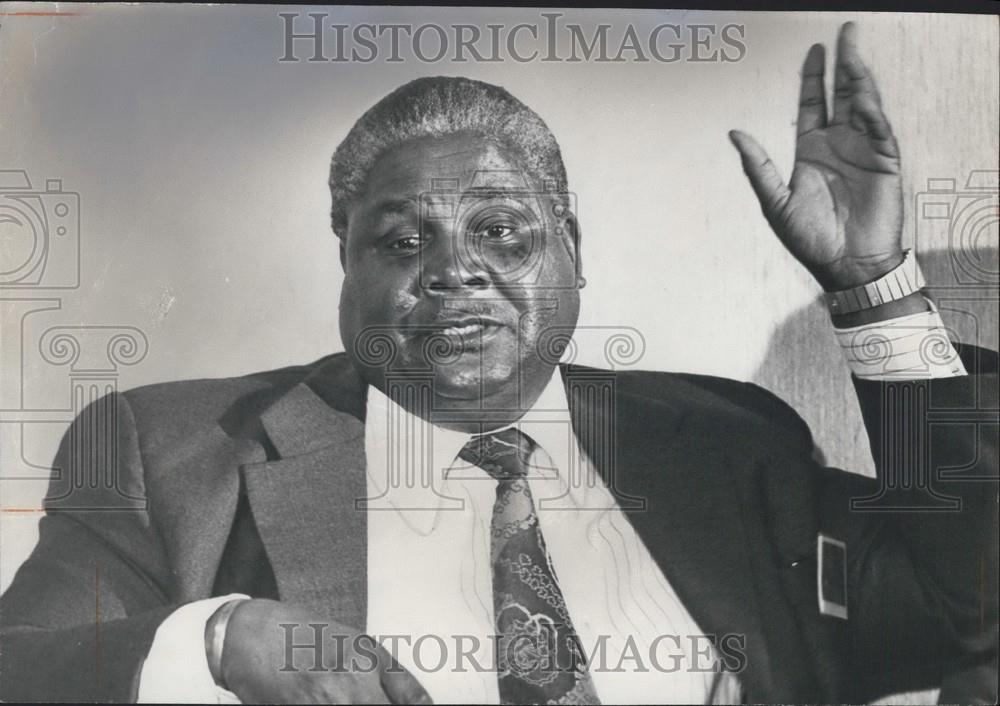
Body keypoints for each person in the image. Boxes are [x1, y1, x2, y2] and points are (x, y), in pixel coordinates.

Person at [1, 22, 995, 705]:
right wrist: (219, 641)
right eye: (400, 242)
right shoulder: (171, 454)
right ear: (343, 261)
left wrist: (873, 288)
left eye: (502, 231)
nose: (454, 273)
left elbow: (976, 609)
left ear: (572, 248)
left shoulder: (728, 444)